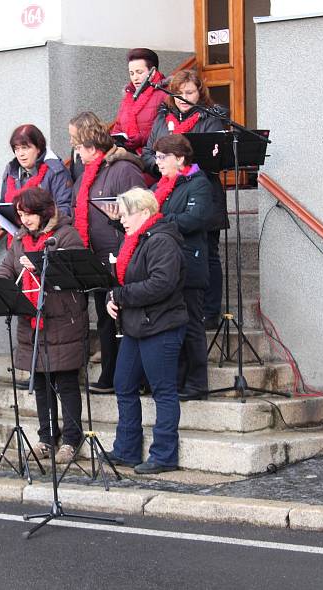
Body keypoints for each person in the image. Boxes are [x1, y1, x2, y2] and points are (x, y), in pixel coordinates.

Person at [0, 188, 87, 463]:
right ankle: (46, 437)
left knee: (66, 382)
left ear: (44, 211)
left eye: (29, 214)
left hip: (62, 318)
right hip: (31, 319)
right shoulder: (20, 239)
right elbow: (7, 268)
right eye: (20, 215)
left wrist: (38, 267)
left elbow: (74, 274)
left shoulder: (67, 235)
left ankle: (72, 439)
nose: (24, 220)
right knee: (41, 382)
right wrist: (2, 284)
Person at [104, 188, 188, 474]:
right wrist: (111, 299)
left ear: (144, 212)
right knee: (123, 383)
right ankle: (127, 449)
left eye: (126, 214)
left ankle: (164, 455)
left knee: (163, 391)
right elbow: (120, 282)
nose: (122, 220)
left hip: (161, 325)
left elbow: (161, 284)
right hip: (137, 325)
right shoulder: (137, 241)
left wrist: (121, 296)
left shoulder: (162, 240)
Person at [142, 69, 229, 327]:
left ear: (199, 93)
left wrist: (181, 162)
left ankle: (210, 311)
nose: (183, 98)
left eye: (189, 92)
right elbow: (147, 152)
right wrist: (161, 164)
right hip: (168, 192)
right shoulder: (162, 120)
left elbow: (216, 158)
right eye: (178, 93)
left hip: (202, 193)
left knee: (209, 255)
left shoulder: (209, 119)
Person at [69, 112, 146, 394]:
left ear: (91, 147)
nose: (75, 153)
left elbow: (140, 208)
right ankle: (110, 374)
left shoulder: (123, 169)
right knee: (104, 318)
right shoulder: (87, 174)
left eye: (77, 147)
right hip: (96, 256)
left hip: (121, 253)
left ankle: (132, 377)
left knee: (123, 318)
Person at [151, 134, 214, 401]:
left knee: (191, 327)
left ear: (180, 158)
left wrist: (159, 219)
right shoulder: (161, 186)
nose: (158, 162)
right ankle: (176, 380)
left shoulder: (198, 184)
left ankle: (197, 383)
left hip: (190, 263)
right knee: (172, 326)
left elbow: (193, 219)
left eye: (163, 157)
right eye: (156, 157)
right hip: (167, 264)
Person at [0, 123, 72, 216]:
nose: (20, 154)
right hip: (17, 229)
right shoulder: (10, 171)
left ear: (38, 148)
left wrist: (41, 222)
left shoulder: (55, 170)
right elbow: (4, 203)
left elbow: (65, 208)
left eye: (25, 148)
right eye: (17, 149)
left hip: (49, 228)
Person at [110, 48, 168, 157]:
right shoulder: (128, 97)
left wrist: (142, 138)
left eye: (139, 72)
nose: (135, 78)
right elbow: (118, 126)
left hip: (155, 158)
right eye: (131, 73)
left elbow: (168, 129)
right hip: (130, 156)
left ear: (153, 72)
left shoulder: (165, 94)